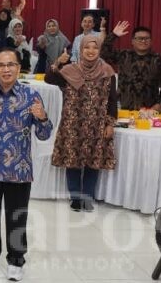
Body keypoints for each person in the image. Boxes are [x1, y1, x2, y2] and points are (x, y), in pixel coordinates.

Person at [0, 49, 52, 282]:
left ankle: (16, 259)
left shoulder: (31, 96)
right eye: (1, 65)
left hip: (19, 169)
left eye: (11, 65)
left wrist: (43, 117)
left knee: (17, 216)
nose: (6, 69)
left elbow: (45, 135)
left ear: (18, 68)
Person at [46, 36, 118, 212]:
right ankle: (75, 198)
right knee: (73, 161)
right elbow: (49, 78)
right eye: (87, 48)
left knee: (93, 162)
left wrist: (110, 124)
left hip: (97, 124)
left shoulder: (108, 72)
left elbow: (112, 101)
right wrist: (58, 62)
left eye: (95, 48)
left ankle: (87, 198)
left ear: (99, 50)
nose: (91, 51)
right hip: (73, 124)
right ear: (81, 49)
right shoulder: (70, 70)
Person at [102, 21, 161, 112]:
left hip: (149, 111)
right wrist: (113, 35)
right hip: (123, 108)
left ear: (151, 41)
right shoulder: (124, 55)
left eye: (146, 38)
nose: (143, 41)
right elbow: (104, 53)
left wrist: (160, 103)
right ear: (132, 41)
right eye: (140, 38)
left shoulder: (159, 59)